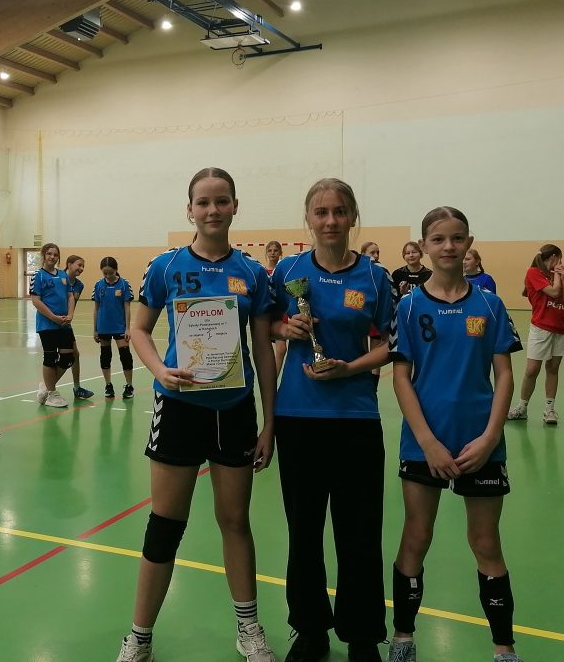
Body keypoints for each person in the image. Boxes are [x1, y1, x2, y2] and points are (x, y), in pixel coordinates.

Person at [116, 168, 278, 662]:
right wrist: (159, 371)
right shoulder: (165, 267)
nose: (213, 210)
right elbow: (139, 329)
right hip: (180, 409)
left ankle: (248, 627)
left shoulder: (252, 273)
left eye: (222, 201)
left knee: (236, 522)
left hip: (234, 411)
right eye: (203, 202)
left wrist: (269, 422)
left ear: (235, 206)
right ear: (189, 210)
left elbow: (263, 350)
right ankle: (139, 637)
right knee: (165, 524)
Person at [389, 206, 524, 662]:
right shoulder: (409, 306)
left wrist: (489, 438)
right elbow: (401, 377)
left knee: (486, 543)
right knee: (416, 537)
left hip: (479, 444)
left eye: (457, 237)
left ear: (469, 243)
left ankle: (504, 648)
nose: (449, 246)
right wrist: (427, 441)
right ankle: (403, 639)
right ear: (424, 246)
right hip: (423, 443)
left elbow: (504, 375)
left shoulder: (489, 304)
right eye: (439, 239)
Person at [270, 179, 396, 662]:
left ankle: (362, 635)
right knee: (303, 531)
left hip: (355, 418)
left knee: (359, 531)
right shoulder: (288, 271)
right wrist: (287, 327)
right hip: (298, 417)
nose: (330, 220)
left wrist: (350, 368)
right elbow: (268, 325)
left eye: (339, 211)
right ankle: (310, 629)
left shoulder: (375, 277)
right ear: (308, 217)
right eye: (320, 212)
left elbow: (389, 344)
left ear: (352, 217)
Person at [508, 245, 564, 423]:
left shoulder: (555, 275)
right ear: (554, 257)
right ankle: (522, 407)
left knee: (553, 368)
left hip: (561, 327)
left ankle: (549, 410)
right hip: (541, 326)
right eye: (560, 258)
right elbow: (554, 292)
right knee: (532, 370)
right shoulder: (534, 272)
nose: (561, 262)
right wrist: (557, 276)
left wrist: (563, 278)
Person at [30, 243, 76, 409]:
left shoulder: (63, 275)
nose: (52, 257)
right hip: (47, 324)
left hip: (64, 324)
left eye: (55, 255)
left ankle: (46, 385)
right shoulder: (38, 276)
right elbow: (36, 300)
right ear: (43, 255)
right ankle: (52, 393)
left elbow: (70, 296)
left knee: (68, 358)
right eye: (49, 254)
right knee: (50, 358)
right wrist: (53, 317)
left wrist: (70, 315)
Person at [92, 256, 134, 400]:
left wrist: (127, 328)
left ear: (116, 270)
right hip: (103, 327)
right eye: (105, 273)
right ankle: (108, 385)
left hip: (120, 327)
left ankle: (129, 385)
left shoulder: (124, 284)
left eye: (111, 272)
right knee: (105, 356)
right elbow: (96, 308)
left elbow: (127, 307)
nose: (108, 276)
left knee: (125, 356)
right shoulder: (98, 285)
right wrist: (95, 329)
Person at [64, 254, 95, 401]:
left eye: (83, 266)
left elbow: (72, 305)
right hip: (53, 321)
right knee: (59, 356)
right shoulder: (58, 279)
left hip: (66, 324)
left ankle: (77, 388)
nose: (81, 268)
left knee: (74, 354)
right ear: (69, 264)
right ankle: (47, 387)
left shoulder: (79, 285)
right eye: (79, 265)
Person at [264, 241, 288, 376]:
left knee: (281, 349)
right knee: (264, 350)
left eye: (275, 250)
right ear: (266, 253)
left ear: (280, 253)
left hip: (279, 313)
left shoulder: (282, 271)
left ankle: (273, 379)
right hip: (265, 313)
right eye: (270, 250)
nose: (272, 253)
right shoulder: (261, 271)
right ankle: (267, 378)